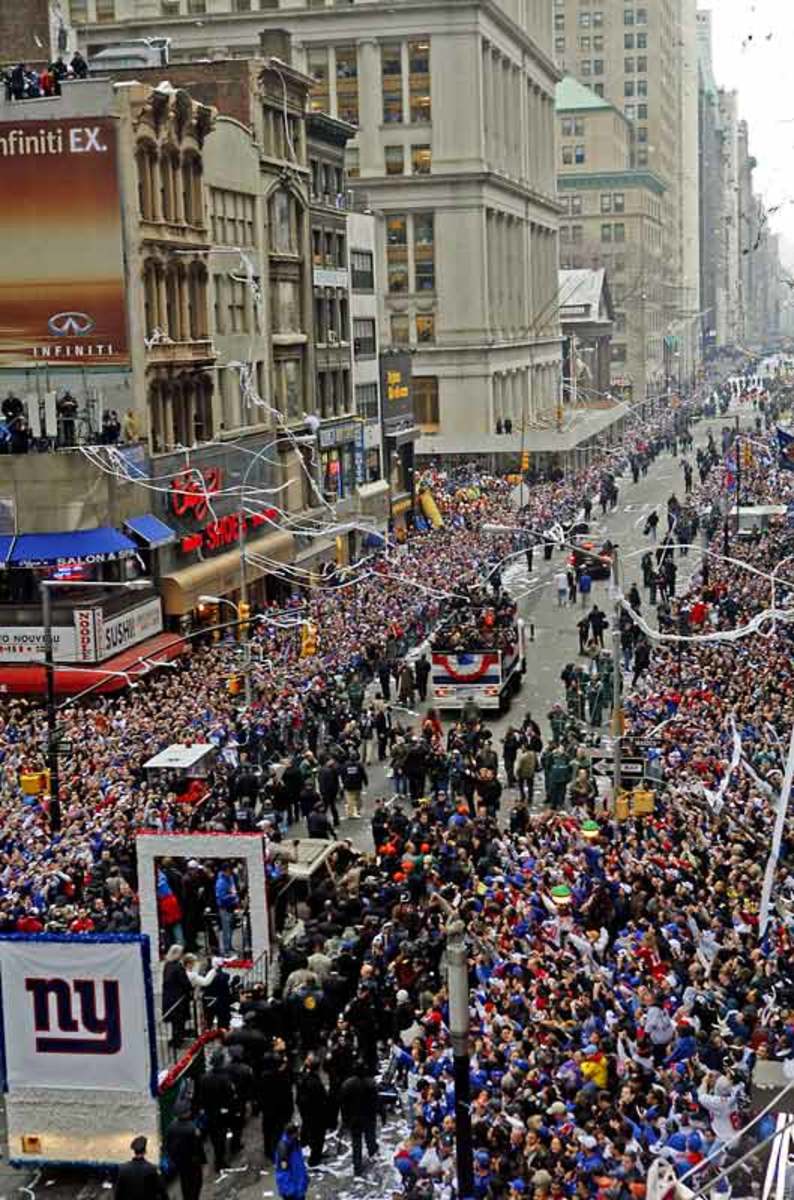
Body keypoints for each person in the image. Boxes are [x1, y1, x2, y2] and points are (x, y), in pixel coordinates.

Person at [339, 1061, 379, 1178]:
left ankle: (357, 1167)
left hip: (354, 1118)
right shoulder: (371, 1083)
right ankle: (372, 1153)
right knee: (370, 1137)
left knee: (356, 1143)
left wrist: (345, 1120)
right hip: (368, 1117)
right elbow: (376, 1102)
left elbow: (343, 1104)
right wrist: (381, 1114)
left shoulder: (347, 1084)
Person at [164, 1102, 206, 1200]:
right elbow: (197, 1147)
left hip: (180, 1162)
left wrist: (174, 1159)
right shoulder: (192, 1128)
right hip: (193, 1162)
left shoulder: (171, 1127)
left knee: (185, 1183)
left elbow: (169, 1146)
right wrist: (202, 1161)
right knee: (196, 1183)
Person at [296, 1053, 329, 1167]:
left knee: (309, 1129)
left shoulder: (303, 1076)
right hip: (315, 1112)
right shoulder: (314, 1082)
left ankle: (306, 1144)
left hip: (306, 1109)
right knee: (317, 1136)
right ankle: (315, 1158)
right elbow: (320, 1099)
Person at [115, 1135, 168, 1200]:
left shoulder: (123, 1169)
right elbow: (162, 1192)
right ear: (145, 1151)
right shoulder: (152, 1169)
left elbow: (118, 1195)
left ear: (134, 1151)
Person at [161, 944, 192, 1048]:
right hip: (178, 998)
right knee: (179, 1021)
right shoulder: (178, 967)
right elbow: (184, 982)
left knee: (175, 1021)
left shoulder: (167, 965)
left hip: (169, 997)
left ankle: (175, 1038)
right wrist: (190, 989)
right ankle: (178, 1040)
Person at [275, 1123, 309, 1200]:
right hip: (292, 1191)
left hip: (299, 1185)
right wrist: (289, 1190)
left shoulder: (295, 1142)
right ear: (292, 1134)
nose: (298, 1134)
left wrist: (305, 1178)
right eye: (297, 1133)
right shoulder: (284, 1149)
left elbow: (299, 1162)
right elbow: (282, 1172)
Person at [214, 863, 239, 957]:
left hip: (232, 907)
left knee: (231, 928)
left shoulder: (230, 878)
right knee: (226, 930)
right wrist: (232, 896)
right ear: (225, 871)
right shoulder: (221, 882)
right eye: (229, 870)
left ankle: (230, 946)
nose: (230, 872)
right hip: (224, 908)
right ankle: (226, 950)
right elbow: (221, 898)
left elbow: (233, 889)